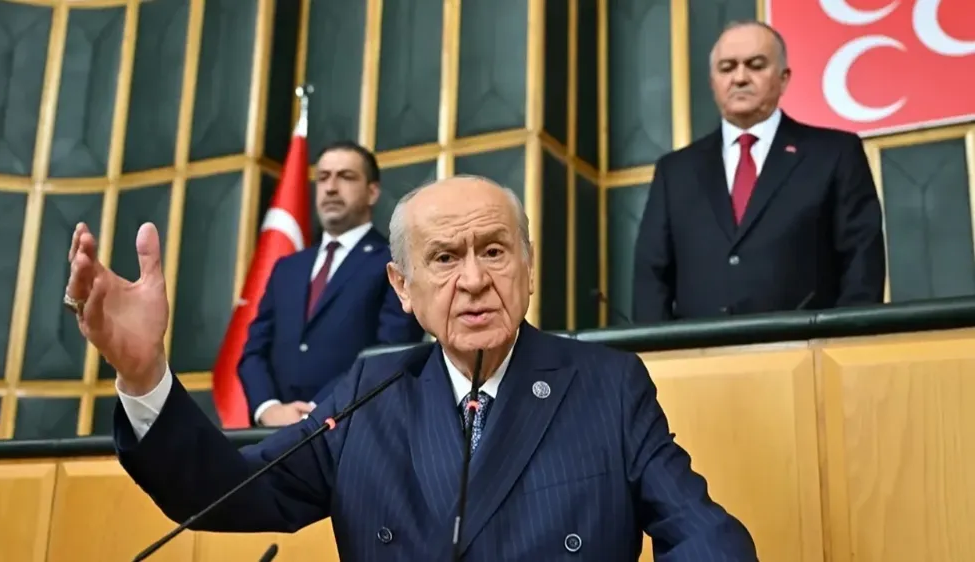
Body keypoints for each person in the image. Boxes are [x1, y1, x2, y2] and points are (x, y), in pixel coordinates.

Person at [63, 176, 757, 561]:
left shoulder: (607, 384)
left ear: (528, 266)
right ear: (402, 288)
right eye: (445, 259)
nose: (474, 280)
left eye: (494, 251)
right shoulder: (368, 393)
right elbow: (227, 495)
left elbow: (705, 535)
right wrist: (144, 374)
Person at [632, 21, 886, 323]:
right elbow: (651, 277)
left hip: (806, 346)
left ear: (784, 78)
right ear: (713, 82)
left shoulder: (834, 153)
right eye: (727, 68)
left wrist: (846, 339)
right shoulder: (675, 172)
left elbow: (862, 261)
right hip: (698, 349)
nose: (740, 78)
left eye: (755, 65)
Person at [240, 141, 425, 427]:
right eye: (323, 177)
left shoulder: (394, 263)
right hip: (274, 434)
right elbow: (254, 351)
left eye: (346, 177)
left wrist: (317, 410)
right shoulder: (287, 267)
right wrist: (269, 408)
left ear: (372, 192)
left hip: (354, 429)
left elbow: (391, 350)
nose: (331, 188)